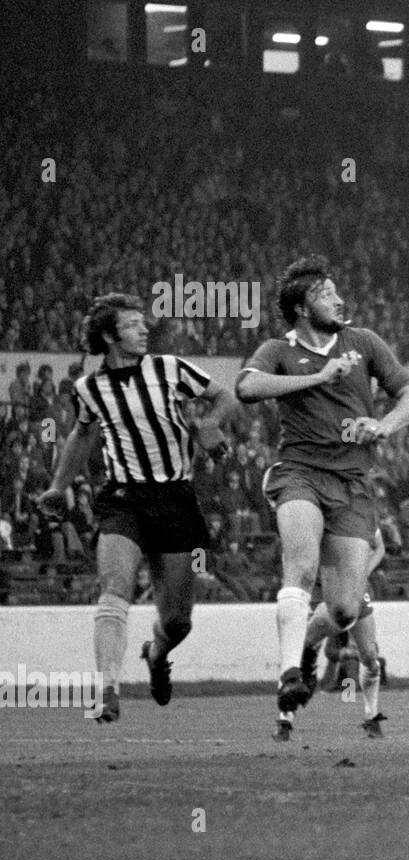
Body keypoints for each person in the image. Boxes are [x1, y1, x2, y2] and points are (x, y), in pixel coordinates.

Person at [236, 255, 409, 742]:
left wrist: (383, 425)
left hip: (354, 484)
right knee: (298, 564)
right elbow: (247, 386)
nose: (339, 299)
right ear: (302, 308)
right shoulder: (279, 349)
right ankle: (288, 675)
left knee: (344, 609)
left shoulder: (363, 342)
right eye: (326, 294)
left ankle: (306, 648)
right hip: (299, 472)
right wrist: (318, 378)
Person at [37, 293, 236, 722]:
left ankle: (156, 653)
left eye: (143, 323)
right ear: (109, 336)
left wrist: (208, 423)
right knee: (115, 587)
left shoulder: (169, 367)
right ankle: (107, 687)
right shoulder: (89, 389)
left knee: (178, 620)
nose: (144, 329)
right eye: (132, 324)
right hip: (123, 498)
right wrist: (58, 487)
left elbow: (224, 396)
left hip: (176, 500)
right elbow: (80, 436)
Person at [299, 527, 389, 737]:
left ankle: (369, 714)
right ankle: (285, 719)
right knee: (309, 648)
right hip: (322, 587)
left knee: (367, 655)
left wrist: (362, 571)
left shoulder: (362, 509)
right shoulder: (318, 511)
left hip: (354, 586)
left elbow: (380, 548)